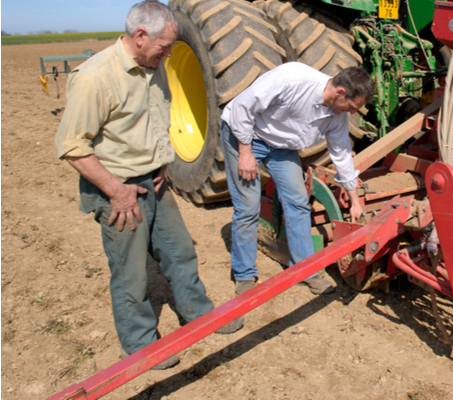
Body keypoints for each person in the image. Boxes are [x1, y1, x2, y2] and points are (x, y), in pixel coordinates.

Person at [54, 0, 242, 371]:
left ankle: (198, 313)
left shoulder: (151, 66)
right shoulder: (95, 77)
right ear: (140, 36)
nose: (169, 53)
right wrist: (115, 189)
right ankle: (139, 343)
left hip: (154, 182)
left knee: (180, 251)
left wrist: (163, 161)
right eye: (164, 45)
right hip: (118, 190)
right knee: (131, 270)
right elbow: (72, 147)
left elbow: (157, 114)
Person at [221, 62, 373, 298]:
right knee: (248, 207)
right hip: (246, 134)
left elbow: (342, 154)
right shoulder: (292, 79)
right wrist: (245, 153)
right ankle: (244, 274)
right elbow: (242, 108)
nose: (351, 112)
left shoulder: (337, 114)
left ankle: (305, 271)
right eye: (351, 107)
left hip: (282, 147)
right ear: (339, 92)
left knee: (298, 202)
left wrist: (354, 200)